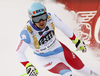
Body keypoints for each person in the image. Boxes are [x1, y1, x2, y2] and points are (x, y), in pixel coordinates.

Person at [16, 2, 99, 76]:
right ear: (31, 19)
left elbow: (64, 28)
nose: (41, 21)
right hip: (45, 58)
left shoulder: (50, 17)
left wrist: (76, 41)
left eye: (43, 17)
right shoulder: (27, 32)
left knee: (84, 70)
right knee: (68, 73)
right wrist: (28, 65)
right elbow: (19, 51)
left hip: (59, 49)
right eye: (37, 19)